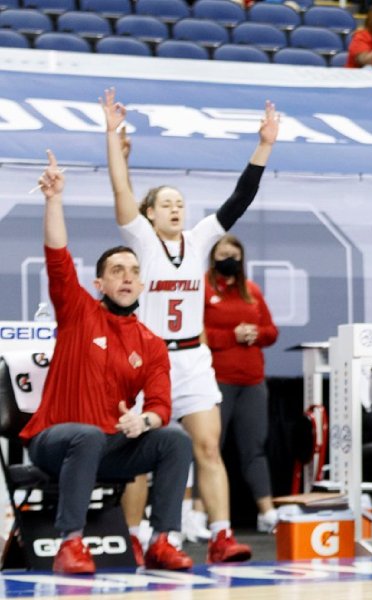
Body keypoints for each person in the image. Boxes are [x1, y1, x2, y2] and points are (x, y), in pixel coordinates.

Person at [102, 88, 279, 563]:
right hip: (146, 359)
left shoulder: (200, 239)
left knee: (207, 445)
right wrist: (112, 140)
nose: (177, 209)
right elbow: (121, 191)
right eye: (167, 204)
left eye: (181, 202)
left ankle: (221, 536)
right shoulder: (139, 239)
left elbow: (241, 198)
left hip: (193, 357)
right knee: (139, 457)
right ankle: (136, 538)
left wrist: (263, 146)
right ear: (150, 213)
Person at [22, 150, 194, 574]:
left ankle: (161, 542)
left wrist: (144, 423)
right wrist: (54, 200)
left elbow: (160, 404)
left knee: (174, 439)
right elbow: (57, 254)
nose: (128, 277)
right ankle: (71, 544)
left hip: (109, 445)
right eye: (117, 271)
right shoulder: (79, 311)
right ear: (99, 283)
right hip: (53, 441)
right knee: (87, 436)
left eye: (134, 271)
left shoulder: (150, 342)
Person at [203, 234, 280, 533]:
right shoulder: (202, 289)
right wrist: (229, 336)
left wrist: (255, 334)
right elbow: (197, 333)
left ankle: (267, 512)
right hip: (216, 380)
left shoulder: (251, 290)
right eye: (223, 253)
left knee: (255, 448)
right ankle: (203, 515)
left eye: (234, 254)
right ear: (213, 257)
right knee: (209, 447)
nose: (229, 259)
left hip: (252, 381)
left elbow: (271, 331)